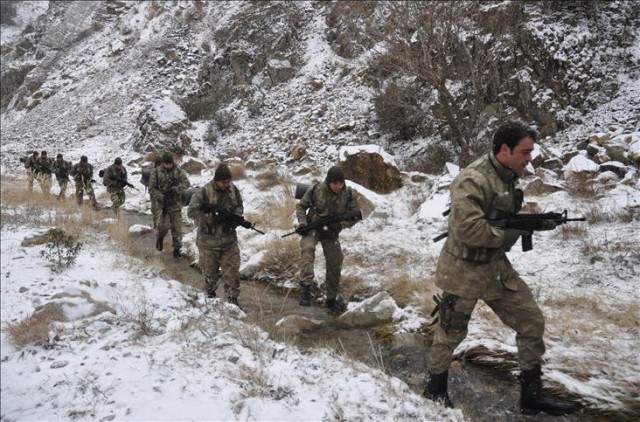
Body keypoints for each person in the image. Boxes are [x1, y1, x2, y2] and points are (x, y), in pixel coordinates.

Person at [425, 121, 578, 416]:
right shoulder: (472, 179)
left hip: (495, 268)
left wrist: (533, 223)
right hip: (463, 270)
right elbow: (469, 229)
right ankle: (434, 391)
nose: (529, 158)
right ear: (504, 150)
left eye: (531, 152)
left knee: (531, 321)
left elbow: (504, 218)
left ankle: (531, 396)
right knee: (450, 333)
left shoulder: (508, 176)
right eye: (525, 152)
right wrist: (511, 234)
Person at [296, 165, 361, 312]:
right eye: (335, 183)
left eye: (341, 182)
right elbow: (301, 207)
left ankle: (331, 299)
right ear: (328, 181)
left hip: (331, 232)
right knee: (307, 249)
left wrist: (341, 225)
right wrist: (302, 223)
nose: (339, 186)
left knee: (336, 260)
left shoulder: (349, 193)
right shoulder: (316, 189)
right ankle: (306, 290)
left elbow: (356, 215)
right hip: (313, 227)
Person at [187, 163, 244, 308]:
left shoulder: (233, 189)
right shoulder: (204, 192)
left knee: (232, 273)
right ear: (217, 180)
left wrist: (235, 217)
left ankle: (232, 302)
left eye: (228, 181)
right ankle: (210, 302)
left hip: (228, 241)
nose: (227, 184)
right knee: (210, 275)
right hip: (208, 243)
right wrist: (211, 217)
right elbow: (191, 212)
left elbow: (239, 205)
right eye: (224, 182)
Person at [149, 152, 190, 258]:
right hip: (162, 205)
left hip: (175, 203)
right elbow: (151, 189)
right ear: (163, 163)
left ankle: (177, 249)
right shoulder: (156, 172)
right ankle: (160, 238)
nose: (168, 166)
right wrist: (161, 197)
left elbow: (186, 183)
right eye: (166, 164)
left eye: (170, 163)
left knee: (177, 227)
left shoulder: (178, 170)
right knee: (164, 226)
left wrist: (176, 190)